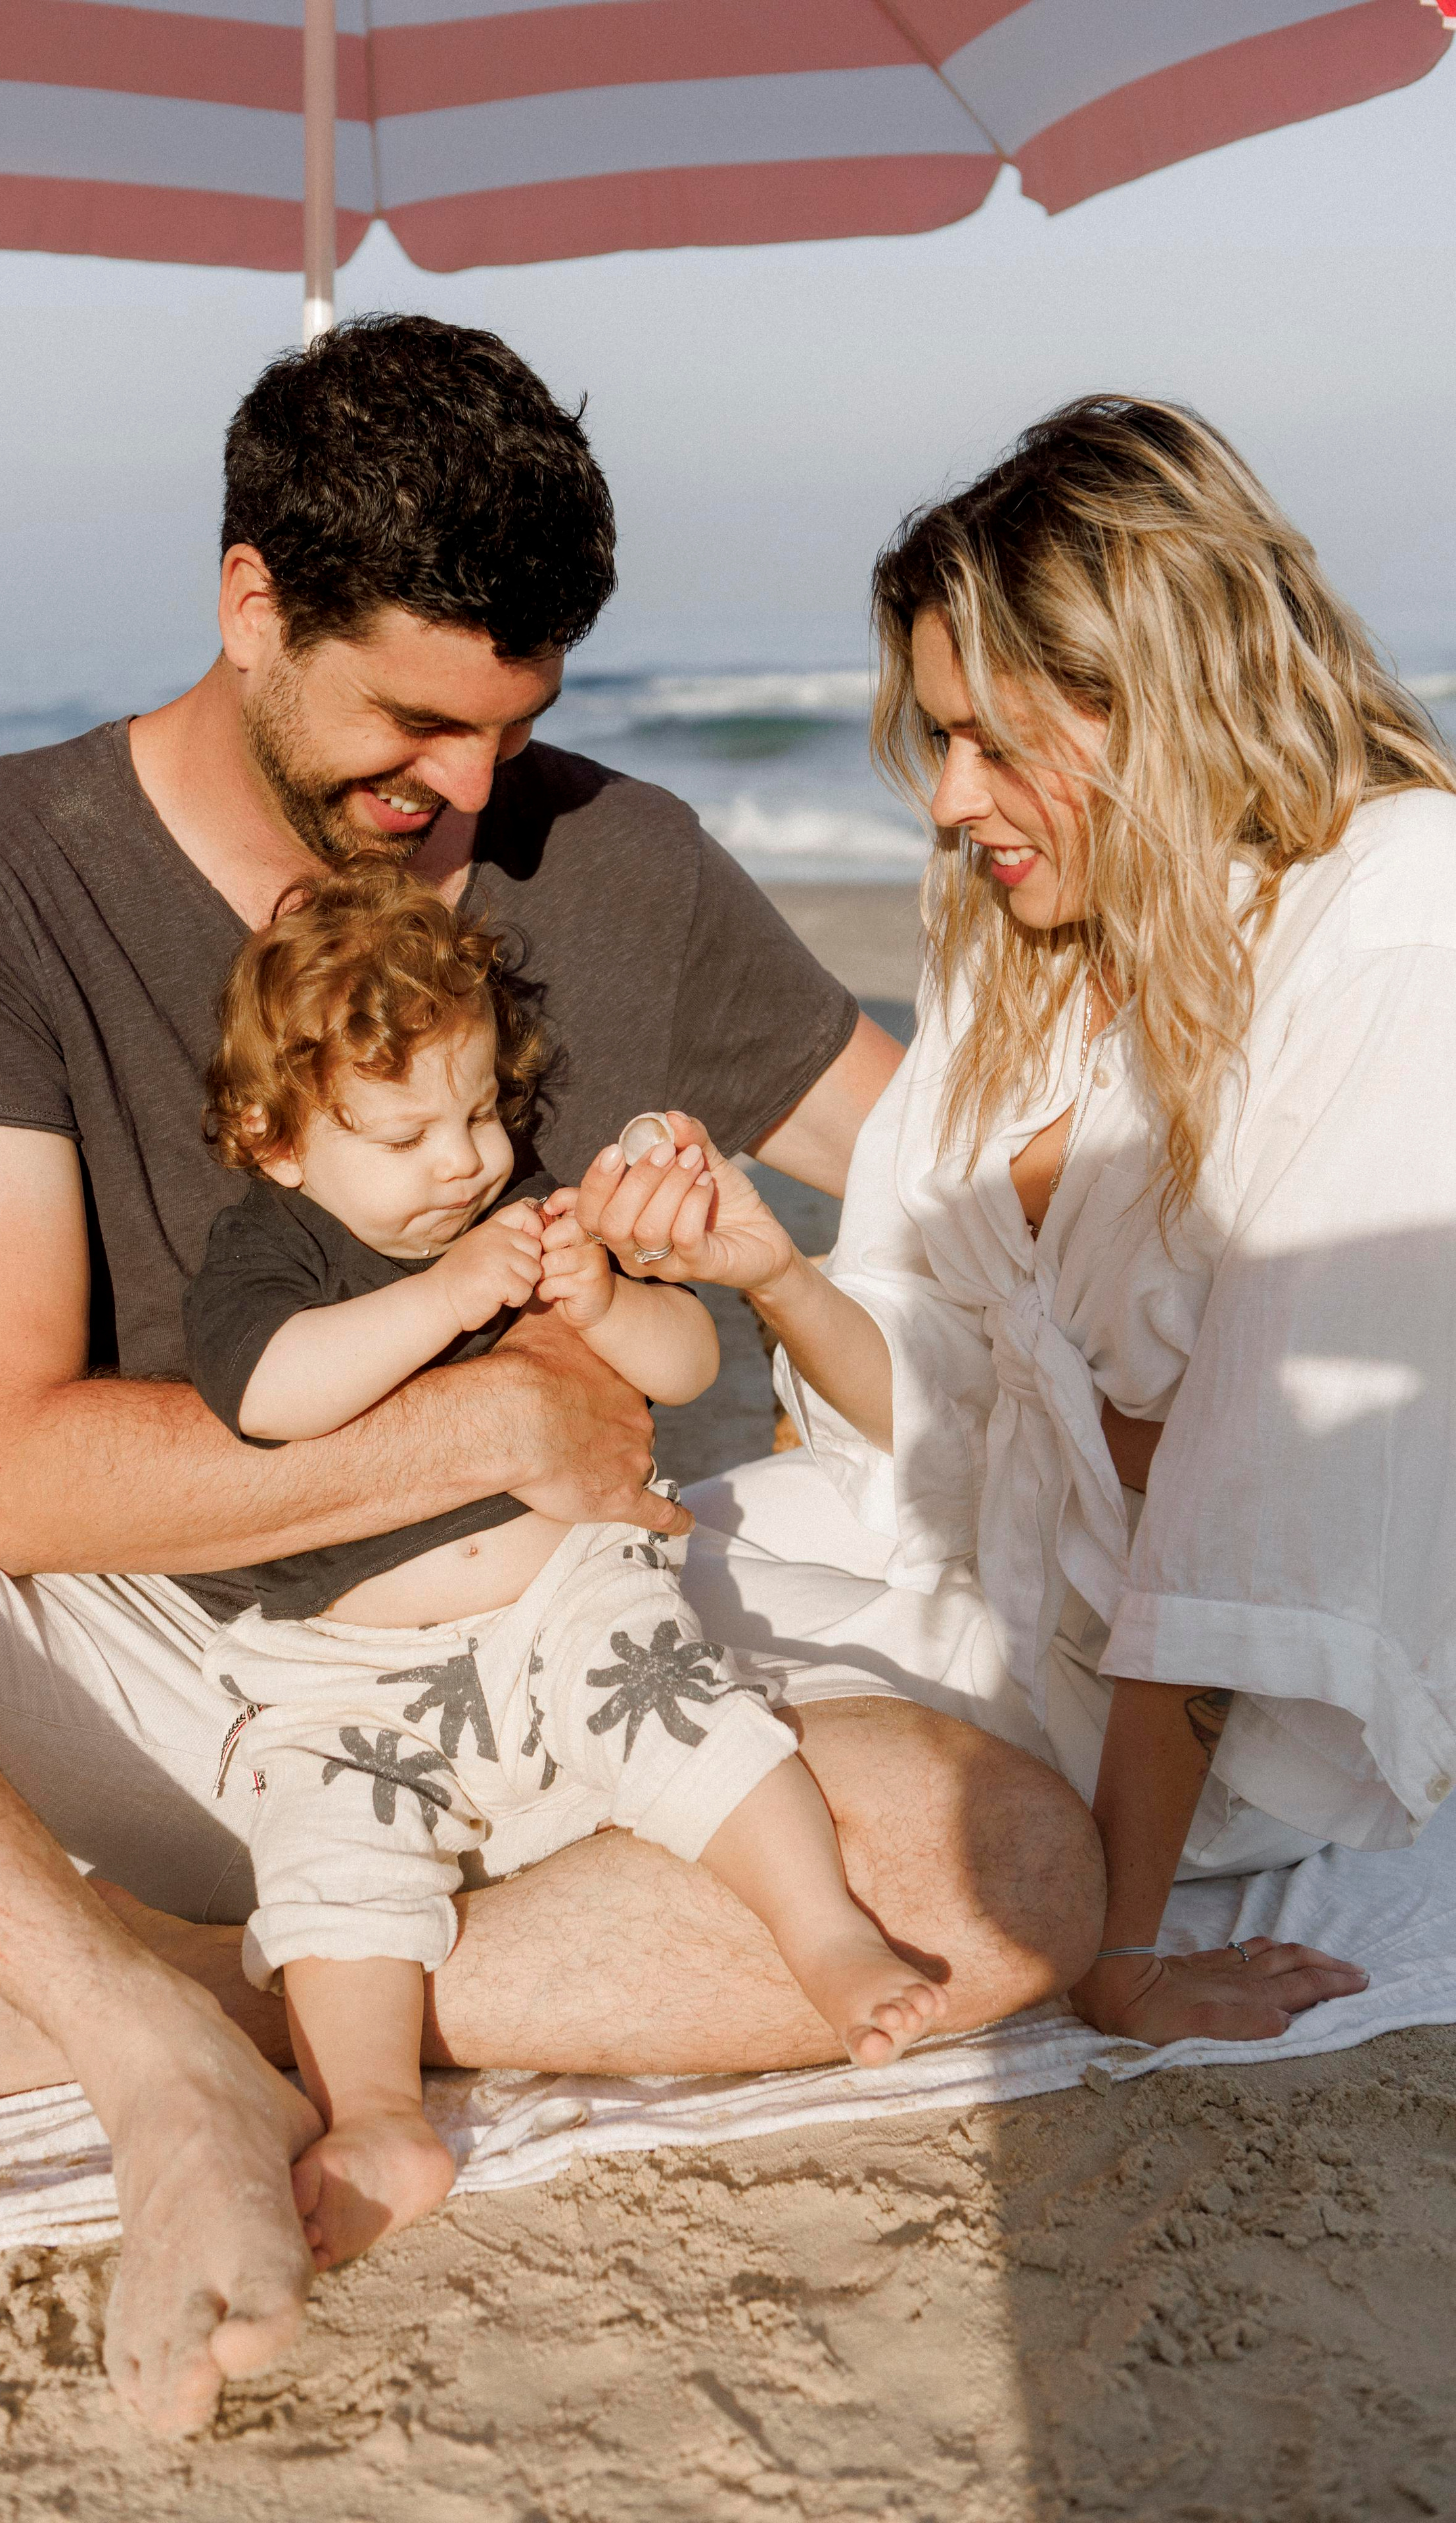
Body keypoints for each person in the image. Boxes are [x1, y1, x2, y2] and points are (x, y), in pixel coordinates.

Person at [0, 315, 1101, 2437]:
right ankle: (145, 2044)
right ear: (253, 606)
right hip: (132, 1663)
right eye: (414, 722)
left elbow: (966, 1168)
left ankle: (248, 1995)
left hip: (529, 1686)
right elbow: (7, 1469)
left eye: (514, 725)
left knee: (1007, 1876)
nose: (469, 792)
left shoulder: (618, 862)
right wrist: (480, 1416)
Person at [583, 394, 1453, 2053]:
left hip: (1192, 1718)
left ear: (1152, 701)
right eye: (937, 743)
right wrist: (770, 1272)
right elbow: (941, 1396)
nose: (946, 801)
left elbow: (1249, 1505)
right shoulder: (1028, 942)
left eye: (989, 742)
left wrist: (1119, 1952)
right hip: (958, 1555)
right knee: (561, 1581)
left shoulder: (1392, 910)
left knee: (605, 1694)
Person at [182, 863, 949, 2269]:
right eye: (406, 1134)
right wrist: (445, 1296)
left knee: (692, 1716)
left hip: (561, 1605)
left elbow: (687, 1364)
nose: (463, 1162)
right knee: (330, 1854)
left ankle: (823, 1934)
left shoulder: (523, 1215)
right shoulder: (269, 1251)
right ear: (274, 1141)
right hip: (354, 1669)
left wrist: (602, 1299)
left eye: (480, 1112)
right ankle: (376, 2114)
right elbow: (271, 1394)